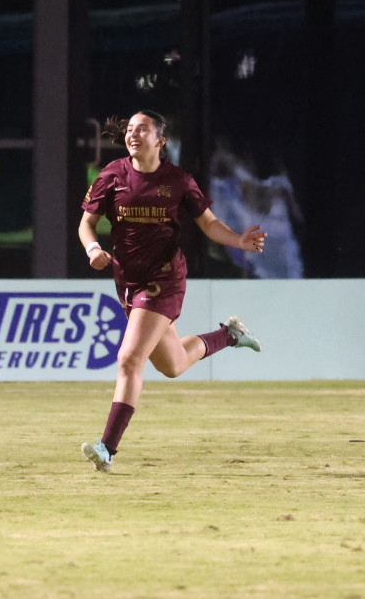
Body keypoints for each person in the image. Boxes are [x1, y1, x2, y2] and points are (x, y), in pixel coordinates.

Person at [77, 109, 268, 473]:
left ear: (161, 140)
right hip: (128, 281)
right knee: (173, 365)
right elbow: (87, 224)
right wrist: (92, 249)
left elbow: (209, 225)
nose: (134, 134)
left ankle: (107, 448)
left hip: (164, 280)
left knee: (129, 359)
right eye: (130, 129)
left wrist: (240, 241)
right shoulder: (112, 175)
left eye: (143, 129)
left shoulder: (178, 180)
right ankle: (228, 336)